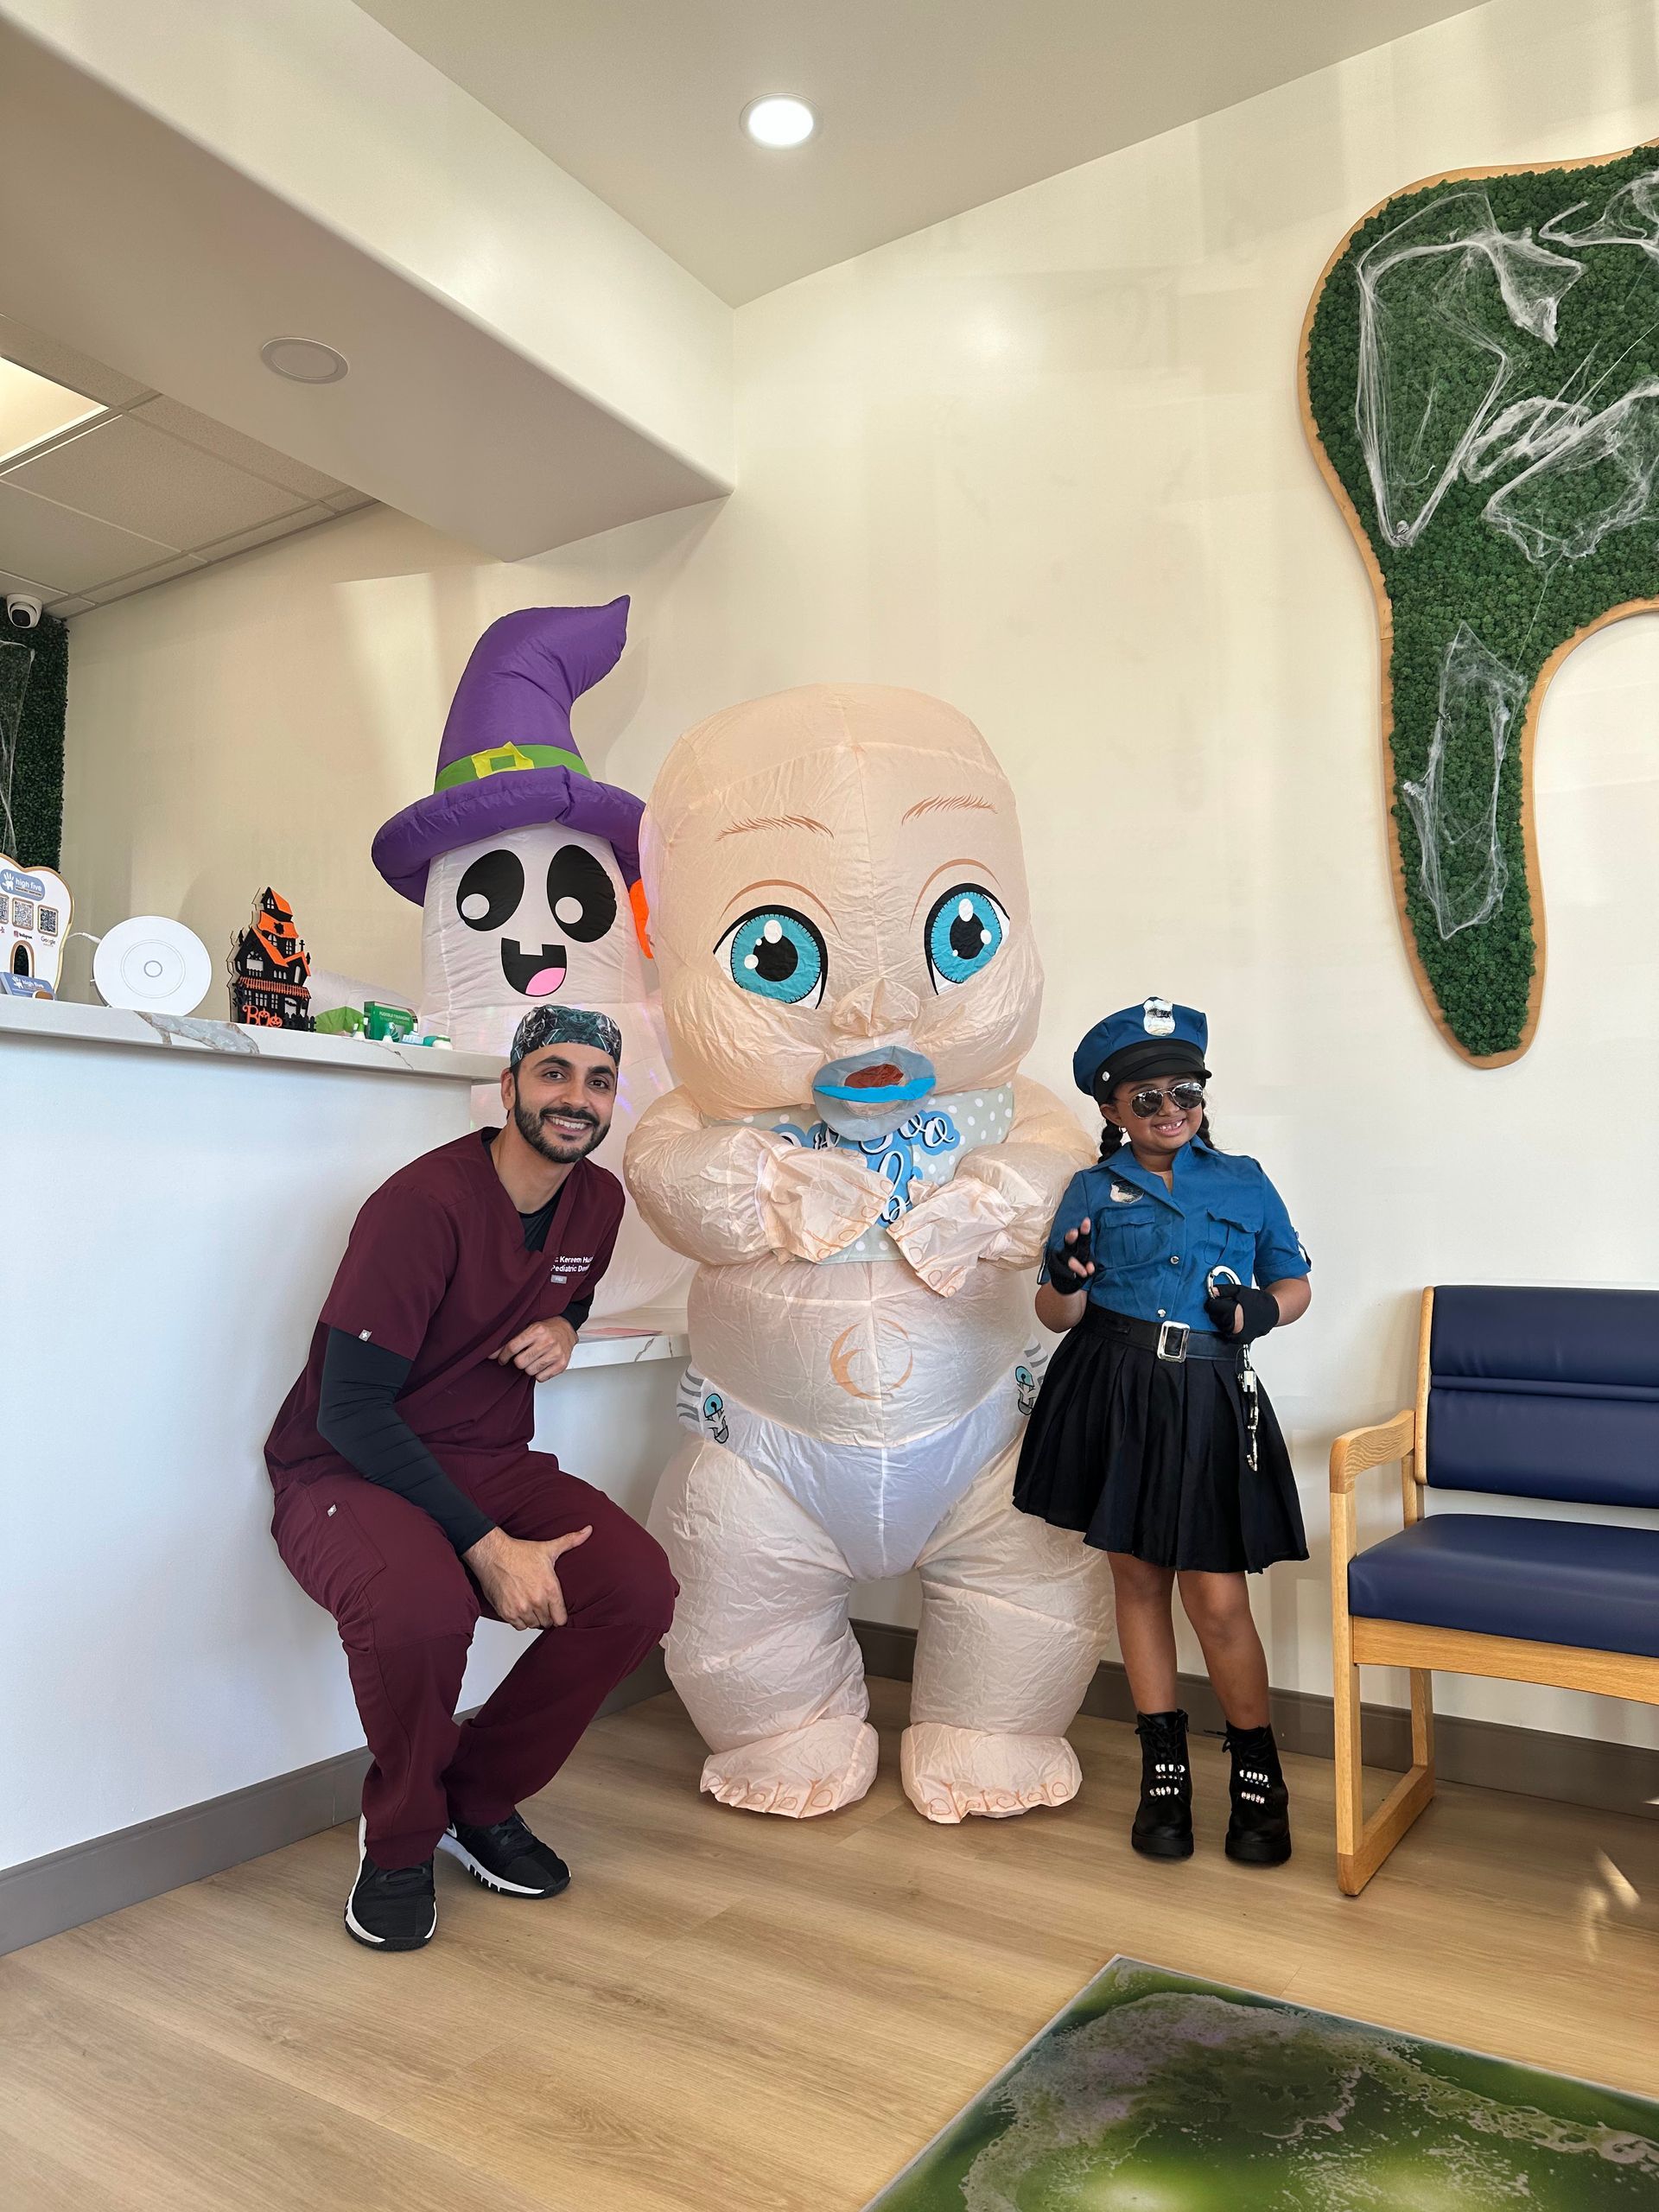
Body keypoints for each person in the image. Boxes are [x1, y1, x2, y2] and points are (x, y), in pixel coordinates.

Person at [265, 1004, 677, 1951]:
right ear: (509, 1088)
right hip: (348, 1467)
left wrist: (569, 1326)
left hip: (490, 1457)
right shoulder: (421, 1206)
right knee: (420, 1608)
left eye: (599, 1080)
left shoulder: (598, 1204)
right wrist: (487, 1547)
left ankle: (476, 1796)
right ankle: (401, 1837)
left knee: (635, 1587)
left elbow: (567, 1284)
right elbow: (349, 1409)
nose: (577, 1096)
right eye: (554, 1073)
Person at [1014, 997, 1311, 1866]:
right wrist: (1064, 1279)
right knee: (1137, 1578)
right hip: (1112, 1386)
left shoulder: (1245, 1180)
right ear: (1111, 1110)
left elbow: (1292, 1282)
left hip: (1208, 1395)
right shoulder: (1090, 1188)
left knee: (1216, 1596)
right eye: (1148, 1098)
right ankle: (1164, 1769)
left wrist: (1261, 1307)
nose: (1171, 1108)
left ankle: (1258, 1771)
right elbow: (1056, 1310)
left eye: (1187, 1090)